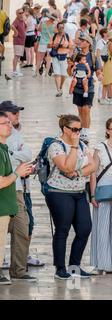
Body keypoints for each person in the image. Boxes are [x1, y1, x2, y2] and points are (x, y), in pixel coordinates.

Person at [45, 114, 96, 280]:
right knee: (63, 229)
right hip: (59, 192)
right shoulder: (55, 146)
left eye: (80, 129)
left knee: (85, 228)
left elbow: (93, 165)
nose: (78, 132)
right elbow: (66, 167)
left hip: (79, 192)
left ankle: (75, 266)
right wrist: (73, 147)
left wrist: (79, 172)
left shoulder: (82, 144)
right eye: (74, 129)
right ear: (65, 129)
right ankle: (60, 268)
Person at [0, 102, 36, 283]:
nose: (16, 115)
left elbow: (28, 155)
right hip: (4, 188)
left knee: (23, 228)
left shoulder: (15, 133)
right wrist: (16, 160)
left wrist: (12, 155)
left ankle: (19, 270)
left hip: (17, 190)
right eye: (13, 113)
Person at [89, 118, 112, 275]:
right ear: (107, 131)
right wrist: (92, 195)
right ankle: (102, 264)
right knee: (102, 228)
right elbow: (93, 172)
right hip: (102, 191)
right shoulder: (100, 148)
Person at [72, 35, 103, 144]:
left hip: (89, 87)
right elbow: (70, 69)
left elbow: (98, 70)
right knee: (80, 111)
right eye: (80, 40)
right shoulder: (76, 55)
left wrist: (99, 75)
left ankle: (86, 133)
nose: (80, 42)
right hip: (77, 87)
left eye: (83, 40)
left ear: (89, 43)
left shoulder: (93, 56)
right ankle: (82, 130)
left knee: (86, 109)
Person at [48, 21, 72, 97]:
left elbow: (72, 46)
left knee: (64, 74)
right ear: (57, 29)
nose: (61, 29)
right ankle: (58, 90)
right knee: (57, 73)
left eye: (63, 27)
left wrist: (65, 46)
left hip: (64, 57)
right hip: (55, 56)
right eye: (60, 28)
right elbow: (48, 45)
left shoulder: (67, 36)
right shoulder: (54, 36)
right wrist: (54, 45)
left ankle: (61, 86)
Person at [11, 9, 27, 78]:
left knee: (18, 56)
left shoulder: (22, 20)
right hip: (18, 41)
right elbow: (12, 26)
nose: (21, 14)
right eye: (19, 13)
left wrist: (24, 33)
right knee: (16, 56)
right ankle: (14, 71)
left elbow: (26, 27)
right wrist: (16, 32)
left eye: (22, 12)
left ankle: (15, 71)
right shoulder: (16, 21)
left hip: (22, 41)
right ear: (17, 14)